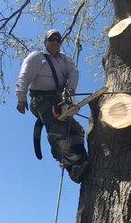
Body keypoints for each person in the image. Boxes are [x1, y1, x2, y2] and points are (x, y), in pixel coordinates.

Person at [16, 29, 90, 183]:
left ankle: (81, 158)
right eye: (52, 39)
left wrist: (70, 90)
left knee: (76, 130)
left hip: (60, 100)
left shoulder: (65, 60)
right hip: (41, 99)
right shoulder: (37, 57)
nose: (55, 42)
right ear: (45, 41)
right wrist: (21, 98)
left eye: (58, 39)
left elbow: (74, 72)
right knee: (58, 129)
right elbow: (24, 76)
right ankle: (73, 168)